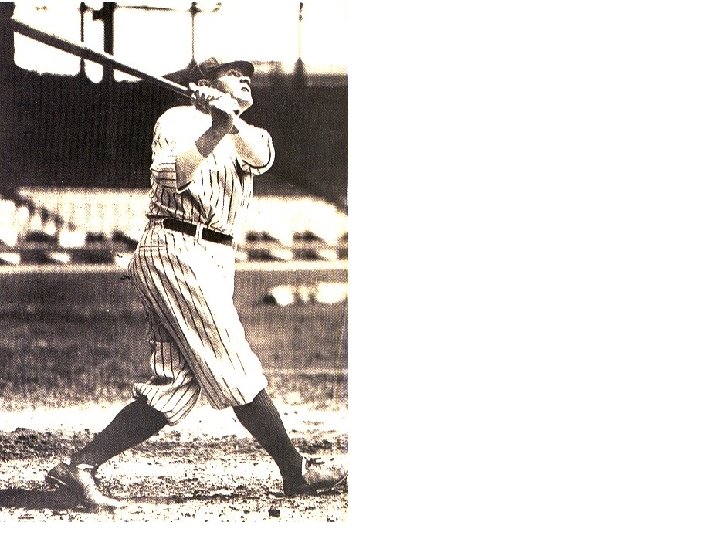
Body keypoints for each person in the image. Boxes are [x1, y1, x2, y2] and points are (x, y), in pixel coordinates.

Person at [45, 56, 347, 508]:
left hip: (215, 255)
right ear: (204, 82)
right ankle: (295, 469)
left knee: (174, 386)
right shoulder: (178, 119)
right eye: (232, 73)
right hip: (176, 243)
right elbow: (172, 179)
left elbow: (261, 157)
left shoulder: (250, 132)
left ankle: (80, 467)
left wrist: (227, 121)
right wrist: (212, 126)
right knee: (232, 360)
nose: (245, 78)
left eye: (247, 75)